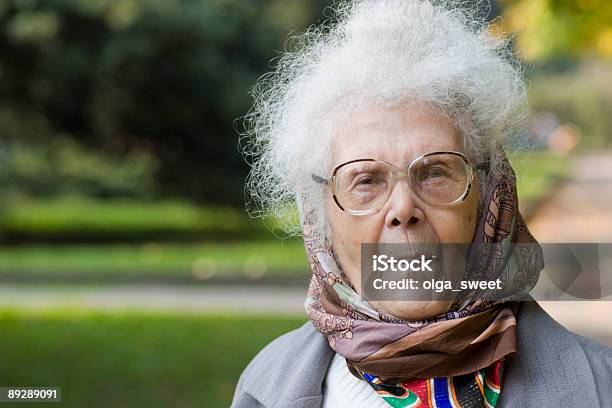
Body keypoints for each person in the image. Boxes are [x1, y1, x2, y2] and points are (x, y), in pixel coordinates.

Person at [232, 1, 612, 407]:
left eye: (435, 172)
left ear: (489, 198)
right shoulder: (265, 387)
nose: (402, 208)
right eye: (366, 180)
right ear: (320, 214)